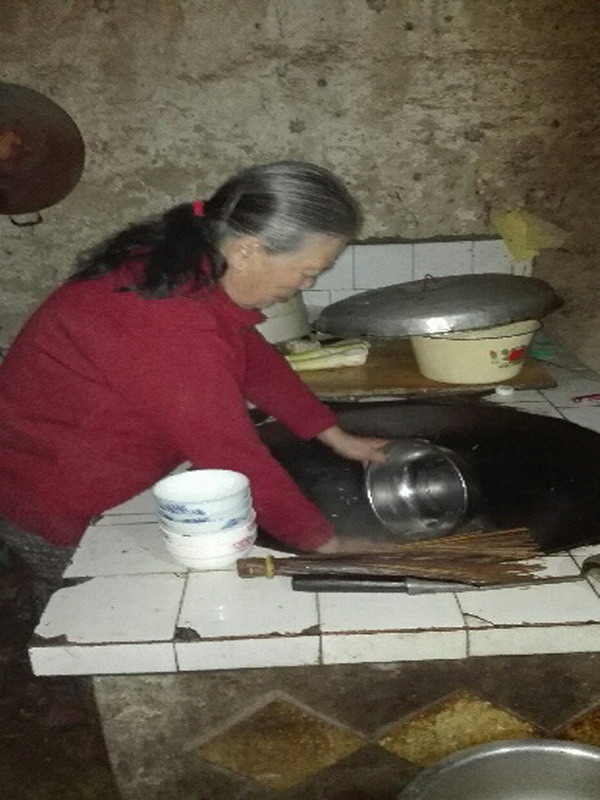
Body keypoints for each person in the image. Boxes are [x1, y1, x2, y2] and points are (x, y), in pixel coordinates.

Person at [0, 160, 387, 609]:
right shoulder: (169, 322)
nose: (308, 283)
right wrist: (326, 544)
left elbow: (250, 357)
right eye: (307, 270)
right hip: (56, 497)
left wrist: (334, 435)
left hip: (98, 476)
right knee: (87, 619)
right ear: (246, 251)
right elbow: (231, 455)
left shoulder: (187, 266)